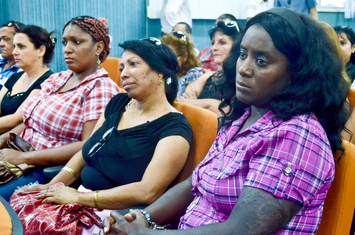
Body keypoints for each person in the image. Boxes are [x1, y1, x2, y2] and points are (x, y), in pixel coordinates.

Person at [99, 7, 350, 235]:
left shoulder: (298, 135)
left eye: (261, 61)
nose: (244, 68)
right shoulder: (244, 117)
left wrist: (148, 234)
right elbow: (194, 183)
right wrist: (141, 217)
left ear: (297, 74)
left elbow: (243, 231)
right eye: (243, 54)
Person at [17, 38, 193, 234]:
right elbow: (86, 152)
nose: (123, 74)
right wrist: (53, 185)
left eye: (133, 64)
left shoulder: (174, 127)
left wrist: (77, 198)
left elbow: (148, 191)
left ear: (160, 71)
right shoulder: (118, 103)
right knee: (18, 213)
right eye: (122, 67)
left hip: (115, 216)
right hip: (79, 199)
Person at [0, 16, 120, 201]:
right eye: (64, 42)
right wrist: (4, 138)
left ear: (98, 48)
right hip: (18, 153)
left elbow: (87, 146)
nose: (67, 49)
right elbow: (29, 122)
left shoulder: (100, 88)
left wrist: (22, 158)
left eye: (77, 42)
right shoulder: (60, 78)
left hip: (44, 169)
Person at [0, 25, 55, 134]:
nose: (14, 52)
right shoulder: (15, 77)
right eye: (14, 46)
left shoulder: (47, 81)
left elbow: (17, 119)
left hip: (17, 143)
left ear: (40, 50)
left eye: (21, 46)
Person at [179, 20, 239, 116]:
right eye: (213, 43)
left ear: (237, 46)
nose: (214, 48)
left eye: (222, 42)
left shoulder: (241, 79)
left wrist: (199, 103)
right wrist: (210, 104)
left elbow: (228, 112)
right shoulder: (207, 76)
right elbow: (182, 103)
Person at [161, 31, 205, 98]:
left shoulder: (194, 75)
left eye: (172, 56)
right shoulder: (160, 74)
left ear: (184, 57)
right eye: (164, 55)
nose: (166, 60)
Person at [0, 21, 25, 89]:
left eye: (6, 39)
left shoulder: (23, 71)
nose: (1, 44)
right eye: (0, 40)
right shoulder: (1, 60)